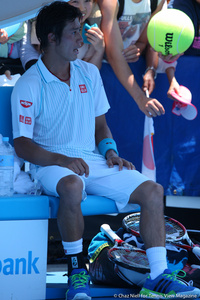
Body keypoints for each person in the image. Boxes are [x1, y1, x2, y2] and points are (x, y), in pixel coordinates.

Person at [11, 2, 200, 300]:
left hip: (92, 161)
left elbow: (100, 125)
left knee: (152, 190)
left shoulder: (89, 73)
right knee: (72, 185)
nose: (81, 38)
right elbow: (22, 145)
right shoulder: (29, 83)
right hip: (49, 164)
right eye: (74, 33)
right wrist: (63, 160)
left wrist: (110, 152)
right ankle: (77, 271)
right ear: (51, 38)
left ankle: (159, 276)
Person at [97, 0, 166, 117]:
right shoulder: (111, 2)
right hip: (100, 73)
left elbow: (143, 41)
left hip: (125, 78)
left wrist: (137, 51)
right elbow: (113, 54)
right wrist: (140, 98)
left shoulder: (157, 2)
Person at [20, 0, 105, 70]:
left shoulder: (91, 29)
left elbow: (89, 73)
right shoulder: (46, 24)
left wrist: (99, 49)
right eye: (75, 1)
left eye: (87, 1)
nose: (82, 8)